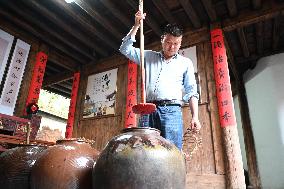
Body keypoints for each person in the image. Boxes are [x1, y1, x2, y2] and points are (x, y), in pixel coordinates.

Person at [119, 11, 201, 150]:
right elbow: (125, 49)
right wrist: (136, 25)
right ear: (162, 39)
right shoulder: (148, 56)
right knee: (145, 149)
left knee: (172, 150)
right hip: (148, 110)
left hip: (172, 111)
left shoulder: (185, 63)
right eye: (169, 42)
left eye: (177, 43)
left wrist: (195, 117)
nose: (172, 47)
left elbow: (191, 91)